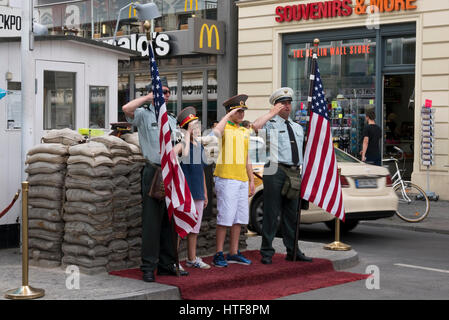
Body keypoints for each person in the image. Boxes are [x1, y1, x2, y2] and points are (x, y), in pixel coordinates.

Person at [122, 76, 188, 282]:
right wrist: (149, 96)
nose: (166, 96)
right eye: (162, 92)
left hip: (171, 169)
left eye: (168, 92)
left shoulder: (170, 118)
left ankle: (167, 264)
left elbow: (180, 145)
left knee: (170, 220)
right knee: (151, 222)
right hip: (153, 171)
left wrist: (180, 147)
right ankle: (148, 267)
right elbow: (126, 109)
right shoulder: (143, 114)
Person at [252, 87, 313, 265]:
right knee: (271, 212)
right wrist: (271, 113)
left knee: (292, 215)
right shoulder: (270, 124)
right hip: (275, 169)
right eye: (282, 104)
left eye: (288, 103)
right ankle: (266, 252)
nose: (286, 106)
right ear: (276, 106)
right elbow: (255, 126)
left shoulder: (297, 127)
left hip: (294, 171)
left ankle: (293, 250)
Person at [211, 94, 255, 267]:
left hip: (241, 178)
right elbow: (216, 133)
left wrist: (251, 180)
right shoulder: (223, 127)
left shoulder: (243, 130)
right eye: (239, 111)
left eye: (243, 110)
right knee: (225, 217)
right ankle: (218, 253)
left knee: (239, 218)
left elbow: (247, 157)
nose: (242, 113)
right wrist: (228, 115)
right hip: (226, 177)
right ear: (230, 112)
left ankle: (234, 252)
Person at [173, 107, 211, 270]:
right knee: (180, 227)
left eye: (197, 125)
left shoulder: (200, 146)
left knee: (194, 228)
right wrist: (186, 135)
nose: (197, 128)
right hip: (184, 193)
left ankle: (192, 258)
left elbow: (201, 171)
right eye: (193, 126)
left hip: (197, 192)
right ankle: (174, 260)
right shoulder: (182, 143)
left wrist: (205, 192)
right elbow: (173, 154)